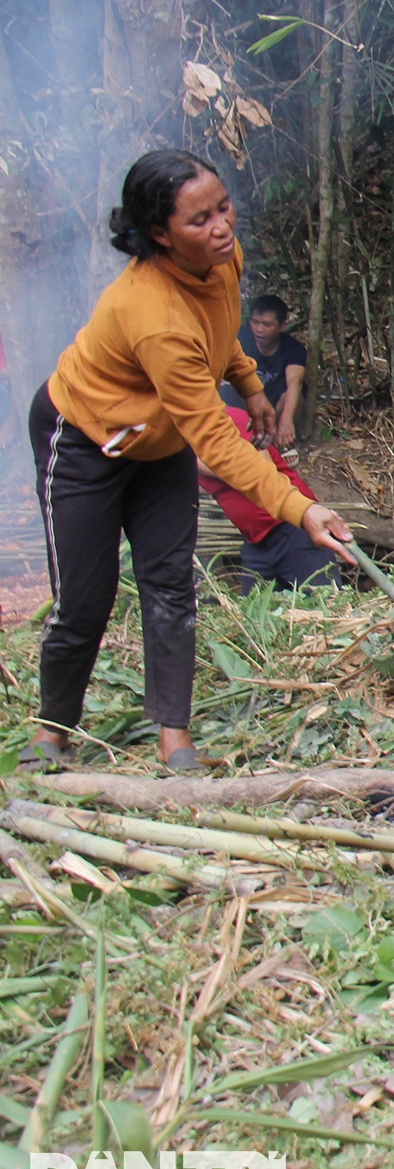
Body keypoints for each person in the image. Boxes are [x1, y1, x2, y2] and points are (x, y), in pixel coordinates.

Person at [24, 149, 355, 772]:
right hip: (85, 441)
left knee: (171, 586)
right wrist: (299, 508)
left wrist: (252, 384)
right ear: (158, 234)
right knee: (85, 599)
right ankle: (53, 730)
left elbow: (220, 328)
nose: (222, 227)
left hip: (160, 441)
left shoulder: (220, 260)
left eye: (223, 207)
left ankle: (174, 740)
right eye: (199, 220)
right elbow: (215, 437)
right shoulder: (149, 313)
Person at [197, 406, 338, 593]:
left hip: (293, 528)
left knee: (326, 604)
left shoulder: (226, 420)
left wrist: (201, 463)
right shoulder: (181, 443)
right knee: (253, 616)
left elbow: (262, 465)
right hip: (256, 541)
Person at [229, 294, 306, 446]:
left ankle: (280, 438)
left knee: (292, 395)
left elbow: (294, 382)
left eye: (267, 324)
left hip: (276, 404)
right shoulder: (240, 339)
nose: (259, 329)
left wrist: (286, 419)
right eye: (255, 322)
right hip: (247, 403)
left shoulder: (294, 348)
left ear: (282, 325)